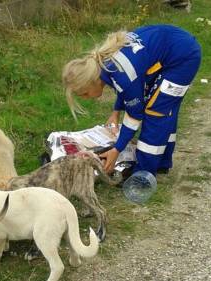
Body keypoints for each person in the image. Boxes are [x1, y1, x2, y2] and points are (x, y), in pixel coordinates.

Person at [62, 24, 201, 176]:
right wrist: (116, 112)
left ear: (91, 82)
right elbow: (125, 89)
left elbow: (134, 114)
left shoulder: (121, 74)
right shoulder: (104, 64)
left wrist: (117, 149)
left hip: (183, 58)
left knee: (156, 112)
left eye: (84, 93)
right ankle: (162, 163)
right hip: (174, 45)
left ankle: (143, 174)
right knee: (163, 108)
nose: (85, 98)